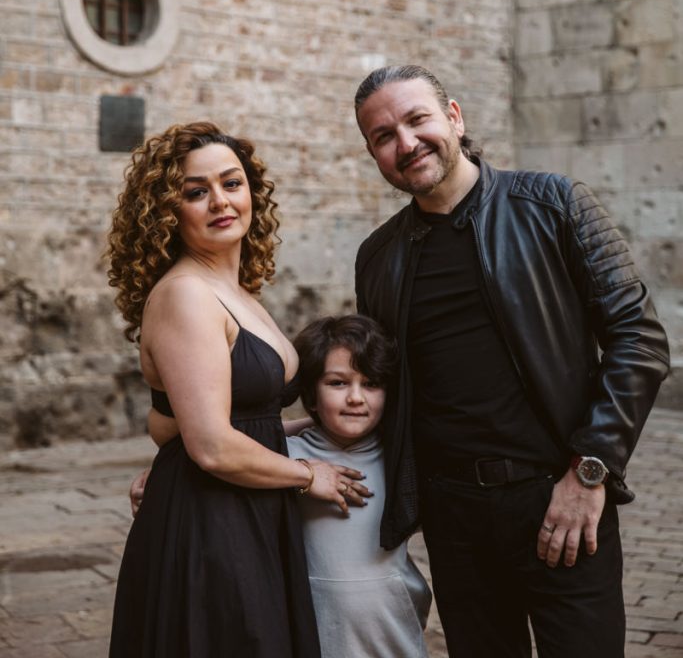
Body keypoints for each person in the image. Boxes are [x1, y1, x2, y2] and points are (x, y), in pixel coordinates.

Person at [352, 64, 670, 658]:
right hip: (456, 522)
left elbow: (639, 339)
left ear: (453, 117)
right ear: (373, 152)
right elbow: (371, 386)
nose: (406, 142)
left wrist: (590, 471)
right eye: (383, 135)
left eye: (417, 119)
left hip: (562, 499)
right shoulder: (377, 259)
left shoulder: (554, 203)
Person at [107, 121, 369, 658]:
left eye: (232, 183)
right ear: (166, 212)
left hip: (250, 508)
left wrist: (310, 428)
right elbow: (210, 445)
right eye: (195, 192)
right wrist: (307, 474)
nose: (220, 202)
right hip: (213, 525)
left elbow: (216, 420)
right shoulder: (186, 295)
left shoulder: (236, 290)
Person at [288, 314, 432, 658]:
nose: (356, 397)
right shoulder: (286, 459)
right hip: (314, 634)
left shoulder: (403, 460)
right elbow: (233, 451)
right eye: (338, 383)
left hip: (392, 634)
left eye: (371, 384)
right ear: (310, 392)